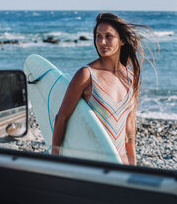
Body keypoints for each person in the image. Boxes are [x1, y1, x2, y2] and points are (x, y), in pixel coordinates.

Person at [52, 13, 150, 165]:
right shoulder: (87, 75)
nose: (102, 42)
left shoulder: (131, 78)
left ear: (122, 40)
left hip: (121, 163)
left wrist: (133, 165)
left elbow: (129, 128)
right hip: (95, 164)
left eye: (108, 36)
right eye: (98, 36)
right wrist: (55, 159)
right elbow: (61, 118)